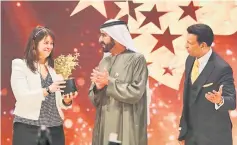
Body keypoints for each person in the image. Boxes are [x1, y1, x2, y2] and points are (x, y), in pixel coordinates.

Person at [11, 26, 77, 145]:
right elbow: (22, 96)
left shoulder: (55, 70)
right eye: (46, 43)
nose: (49, 46)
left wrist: (67, 100)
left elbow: (59, 102)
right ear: (34, 44)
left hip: (55, 128)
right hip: (28, 126)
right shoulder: (20, 65)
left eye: (51, 43)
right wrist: (47, 90)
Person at [88, 19, 149, 145]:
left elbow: (136, 93)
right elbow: (94, 100)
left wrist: (108, 82)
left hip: (126, 127)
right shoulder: (104, 62)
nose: (100, 40)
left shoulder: (137, 60)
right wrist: (98, 88)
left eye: (104, 35)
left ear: (116, 36)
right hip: (104, 127)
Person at [178, 24, 236, 145]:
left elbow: (232, 101)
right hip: (192, 135)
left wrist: (220, 100)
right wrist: (183, 129)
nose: (185, 46)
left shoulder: (222, 68)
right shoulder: (190, 60)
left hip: (214, 137)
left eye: (189, 43)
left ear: (203, 45)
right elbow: (188, 99)